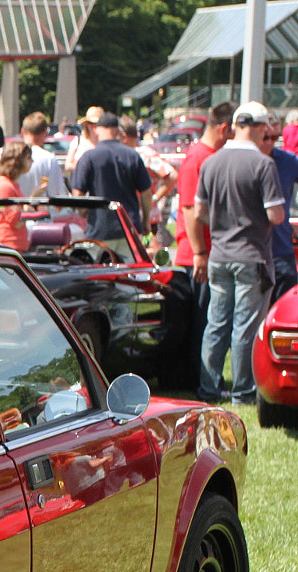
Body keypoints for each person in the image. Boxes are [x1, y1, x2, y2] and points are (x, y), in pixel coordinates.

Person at [191, 101, 285, 404]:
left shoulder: (212, 162)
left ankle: (208, 388)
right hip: (251, 256)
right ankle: (242, 392)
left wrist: (224, 221)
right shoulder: (263, 164)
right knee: (245, 327)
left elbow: (199, 211)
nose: (267, 136)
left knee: (216, 324)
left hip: (219, 253)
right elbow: (276, 216)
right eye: (266, 131)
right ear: (258, 128)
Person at [175, 102, 236, 375]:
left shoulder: (207, 156)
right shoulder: (198, 158)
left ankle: (200, 375)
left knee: (209, 318)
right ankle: (196, 376)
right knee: (203, 321)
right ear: (225, 129)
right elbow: (189, 209)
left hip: (206, 251)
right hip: (197, 254)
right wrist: (199, 252)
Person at [71, 112, 152, 243]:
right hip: (129, 227)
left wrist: (83, 211)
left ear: (97, 130)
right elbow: (146, 193)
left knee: (101, 262)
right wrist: (145, 221)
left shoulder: (89, 157)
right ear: (117, 130)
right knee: (129, 263)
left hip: (100, 228)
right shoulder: (132, 156)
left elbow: (77, 193)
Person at [120, 115, 176, 247]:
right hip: (135, 216)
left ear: (124, 136)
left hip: (146, 220)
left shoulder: (143, 154)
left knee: (146, 255)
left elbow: (172, 175)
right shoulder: (135, 153)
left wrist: (155, 198)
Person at [260, 115, 298, 299]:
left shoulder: (288, 161)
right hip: (250, 253)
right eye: (265, 137)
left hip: (281, 250)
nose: (269, 143)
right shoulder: (242, 161)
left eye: (274, 138)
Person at [0, 111, 68, 196]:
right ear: (44, 133)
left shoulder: (2, 152)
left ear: (22, 131)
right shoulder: (49, 159)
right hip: (34, 208)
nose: (31, 161)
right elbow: (57, 196)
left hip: (5, 206)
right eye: (29, 159)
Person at [0, 142, 33, 251]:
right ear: (18, 161)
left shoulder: (10, 184)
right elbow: (16, 222)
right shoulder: (4, 186)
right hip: (8, 243)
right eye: (28, 158)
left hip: (13, 244)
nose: (32, 162)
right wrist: (33, 198)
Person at [67, 105, 104, 172]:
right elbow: (68, 165)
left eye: (96, 123)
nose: (93, 125)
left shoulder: (106, 143)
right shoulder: (77, 141)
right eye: (90, 123)